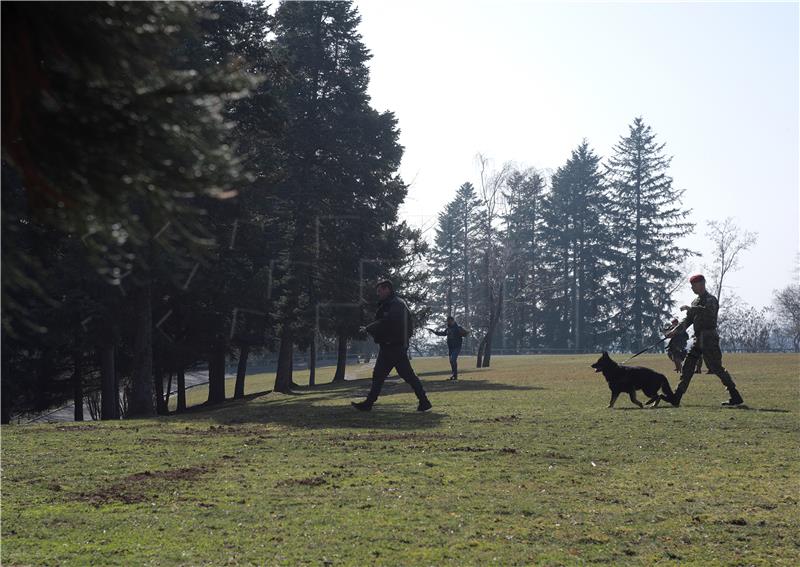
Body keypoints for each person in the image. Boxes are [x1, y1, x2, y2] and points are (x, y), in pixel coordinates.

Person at [352, 280, 432, 412]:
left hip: (394, 347)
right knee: (385, 375)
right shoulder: (393, 304)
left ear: (387, 289)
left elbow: (386, 322)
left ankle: (424, 401)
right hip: (390, 346)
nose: (378, 294)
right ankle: (369, 403)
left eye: (380, 291)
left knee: (402, 376)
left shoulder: (396, 305)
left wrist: (368, 328)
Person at [665, 274, 744, 407]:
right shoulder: (695, 302)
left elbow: (708, 313)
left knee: (715, 368)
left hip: (709, 338)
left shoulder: (711, 300)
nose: (692, 288)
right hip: (698, 339)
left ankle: (735, 395)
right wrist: (675, 331)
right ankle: (676, 396)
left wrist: (691, 309)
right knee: (688, 366)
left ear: (701, 284)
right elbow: (688, 320)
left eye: (693, 285)